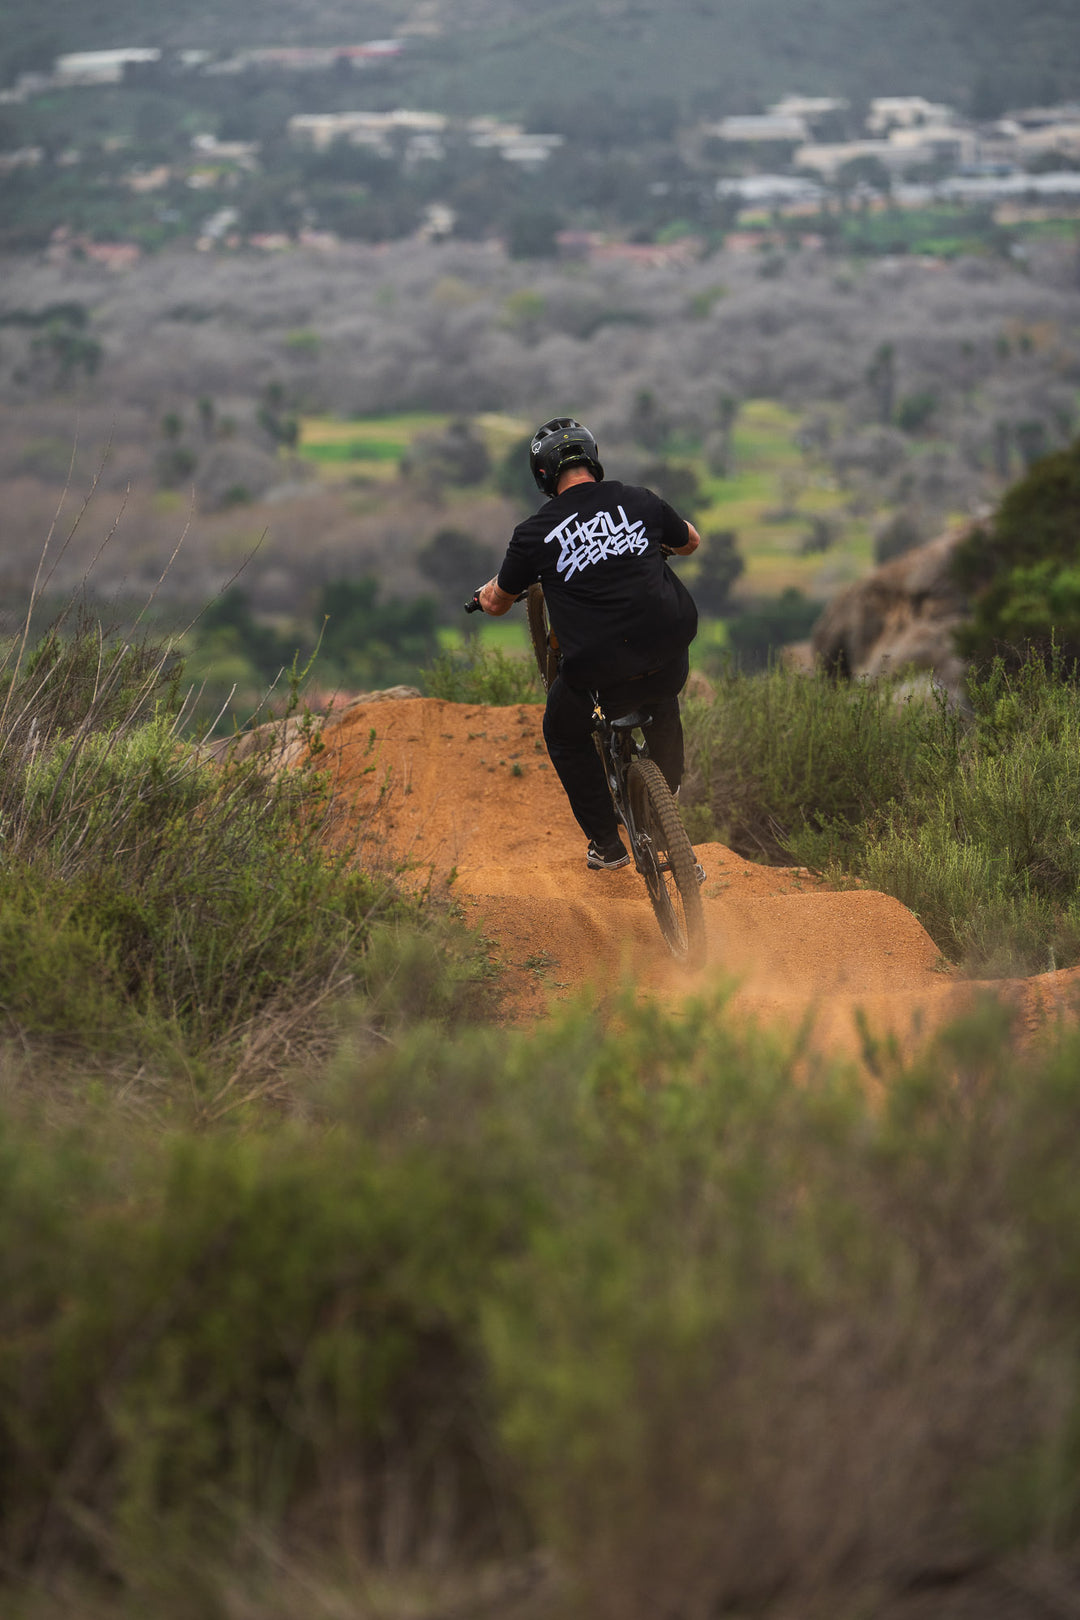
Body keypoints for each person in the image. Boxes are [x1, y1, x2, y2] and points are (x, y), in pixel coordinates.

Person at [474, 416, 701, 870]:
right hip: (669, 654)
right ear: (594, 461)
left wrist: (485, 594)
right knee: (661, 689)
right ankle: (667, 795)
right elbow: (690, 542)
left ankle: (607, 844)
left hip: (599, 674)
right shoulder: (640, 500)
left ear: (542, 475)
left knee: (561, 733)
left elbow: (498, 603)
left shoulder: (533, 535)